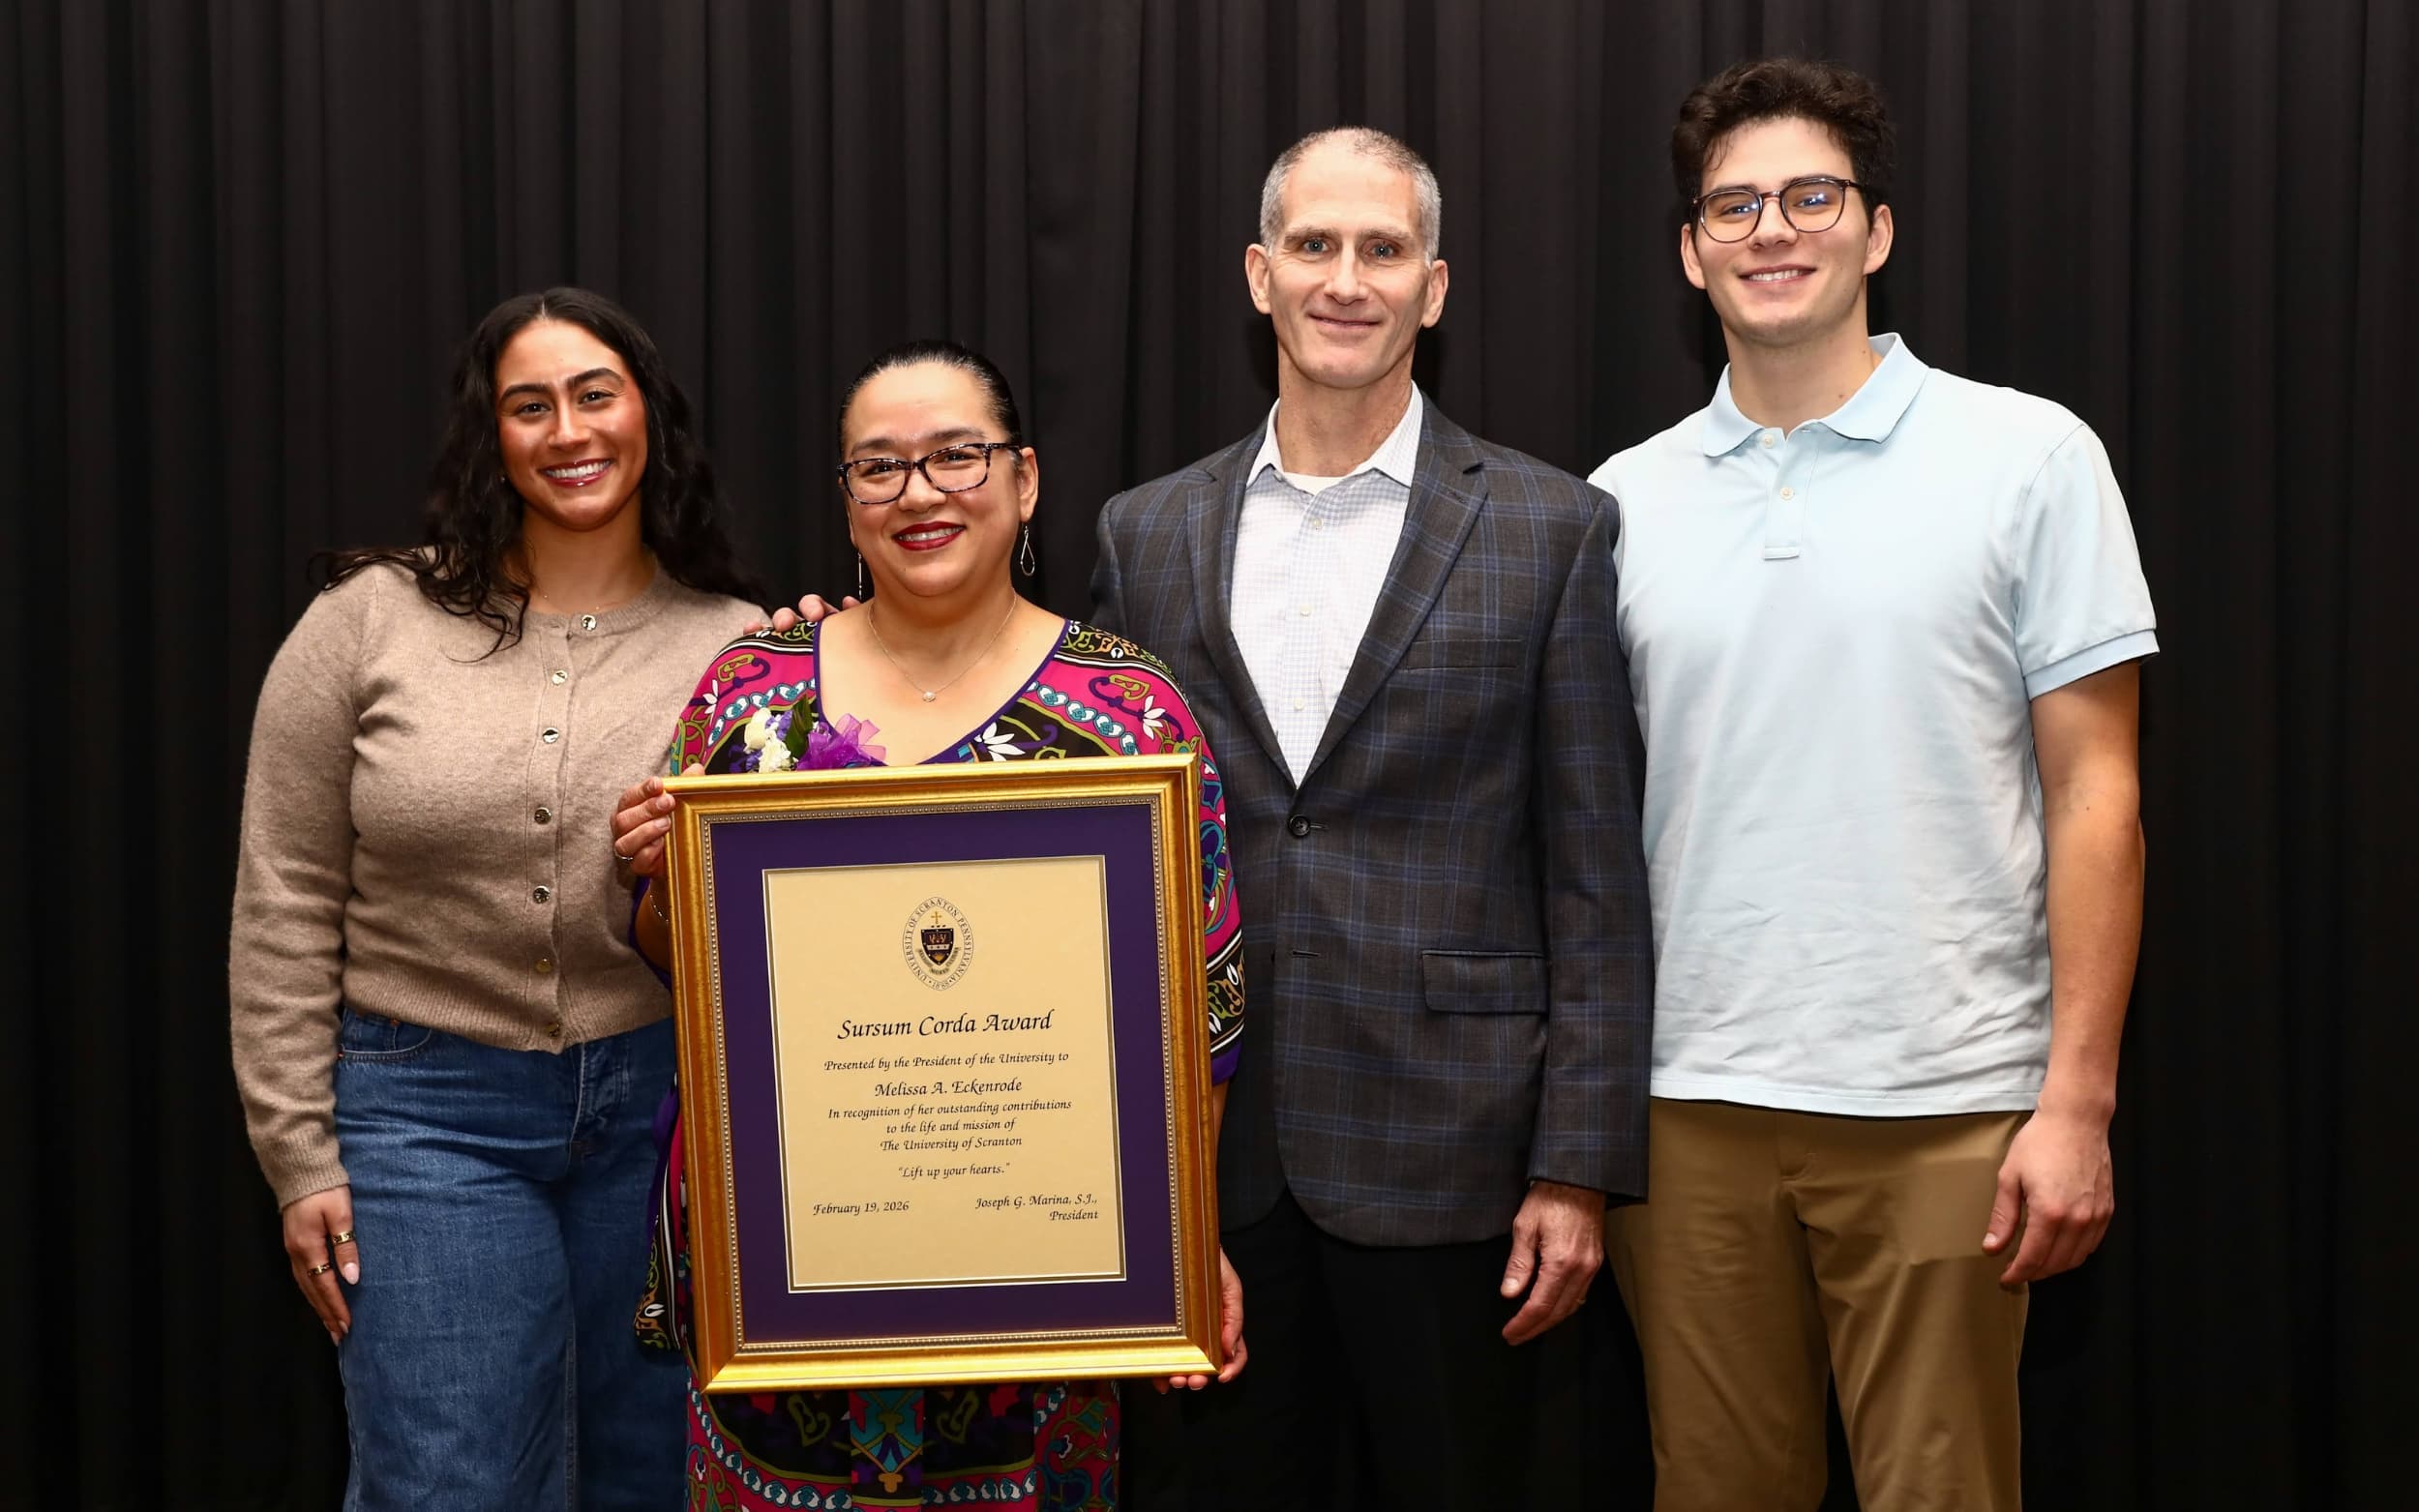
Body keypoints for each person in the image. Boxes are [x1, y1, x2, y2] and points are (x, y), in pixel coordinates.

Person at [1590, 59, 2158, 1511]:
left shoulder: (2030, 456)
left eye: (1811, 196)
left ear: (1876, 230)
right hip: (1682, 1109)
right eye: (1734, 205)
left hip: (1949, 1102)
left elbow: (2100, 794)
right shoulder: (1619, 500)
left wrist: (2076, 1099)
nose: (1772, 229)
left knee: (1944, 1491)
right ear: (1690, 249)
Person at [1088, 127, 1654, 1506]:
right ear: (1259, 275)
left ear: (1436, 286)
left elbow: (1593, 875)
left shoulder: (1550, 526)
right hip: (1210, 1163)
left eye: (1383, 249)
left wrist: (1577, 1169)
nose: (1349, 279)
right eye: (1317, 246)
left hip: (1455, 1149)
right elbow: (1096, 840)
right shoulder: (1143, 533)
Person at [607, 339, 1247, 1511]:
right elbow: (677, 968)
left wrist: (1183, 1228)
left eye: (958, 456)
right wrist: (660, 881)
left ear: (1025, 480)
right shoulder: (748, 696)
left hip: (1043, 1300)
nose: (921, 493)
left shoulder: (1129, 718)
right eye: (880, 468)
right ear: (845, 501)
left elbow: (1200, 1001)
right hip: (786, 1287)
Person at [229, 287, 770, 1508]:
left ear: (650, 416)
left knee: (657, 1474)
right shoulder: (368, 619)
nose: (567, 431)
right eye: (530, 407)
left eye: (595, 395)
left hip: (669, 1120)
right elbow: (284, 894)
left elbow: (787, 926)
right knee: (450, 1481)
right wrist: (297, 1156)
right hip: (426, 1119)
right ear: (494, 437)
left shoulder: (742, 648)